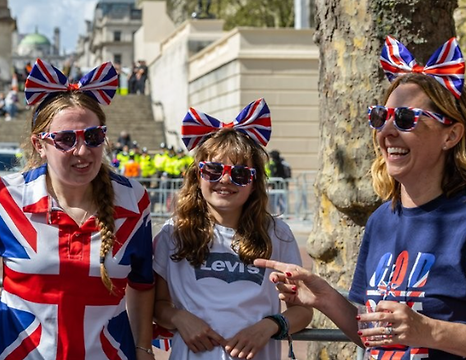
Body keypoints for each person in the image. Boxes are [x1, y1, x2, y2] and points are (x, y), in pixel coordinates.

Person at [255, 36, 466, 358]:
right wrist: (324, 296)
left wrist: (430, 331)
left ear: (450, 135)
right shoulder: (381, 219)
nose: (388, 131)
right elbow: (373, 336)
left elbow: (419, 332)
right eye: (381, 117)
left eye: (407, 119)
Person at [0, 59, 155, 359]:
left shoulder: (133, 200)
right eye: (65, 139)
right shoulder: (4, 197)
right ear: (39, 144)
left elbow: (142, 283)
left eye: (93, 136)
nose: (82, 151)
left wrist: (143, 349)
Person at [153, 99, 312, 359]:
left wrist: (270, 325)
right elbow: (157, 305)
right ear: (197, 176)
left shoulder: (278, 233)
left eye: (239, 174)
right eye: (213, 170)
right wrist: (179, 318)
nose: (225, 180)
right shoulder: (173, 233)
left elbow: (303, 311)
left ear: (254, 182)